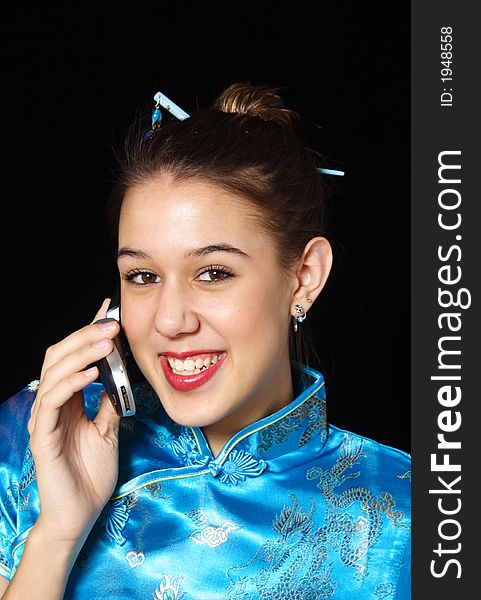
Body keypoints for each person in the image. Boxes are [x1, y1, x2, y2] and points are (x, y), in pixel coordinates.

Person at [0, 83, 411, 599]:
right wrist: (57, 535)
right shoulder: (32, 440)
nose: (170, 321)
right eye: (143, 276)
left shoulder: (408, 522)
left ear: (304, 276)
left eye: (213, 273)